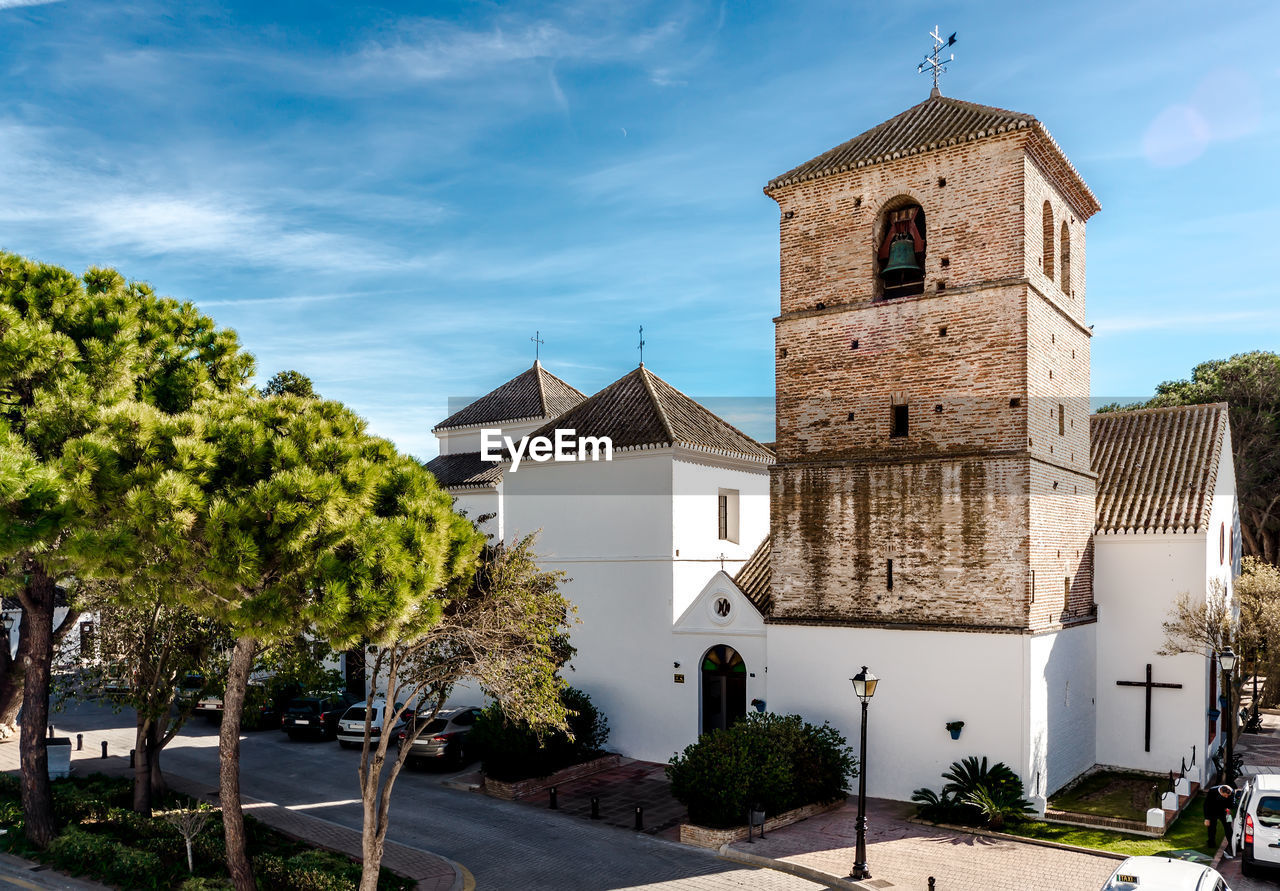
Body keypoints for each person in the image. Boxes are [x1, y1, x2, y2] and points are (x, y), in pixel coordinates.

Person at [1204, 783, 1235, 857]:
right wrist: (1207, 818)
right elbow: (1206, 805)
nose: (1227, 797)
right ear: (1221, 791)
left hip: (1226, 813)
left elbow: (1232, 803)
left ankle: (1232, 843)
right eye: (1225, 795)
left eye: (1228, 795)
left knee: (1228, 828)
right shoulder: (1212, 790)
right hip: (1213, 812)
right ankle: (1211, 843)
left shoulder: (1232, 791)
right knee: (1211, 828)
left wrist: (1230, 808)